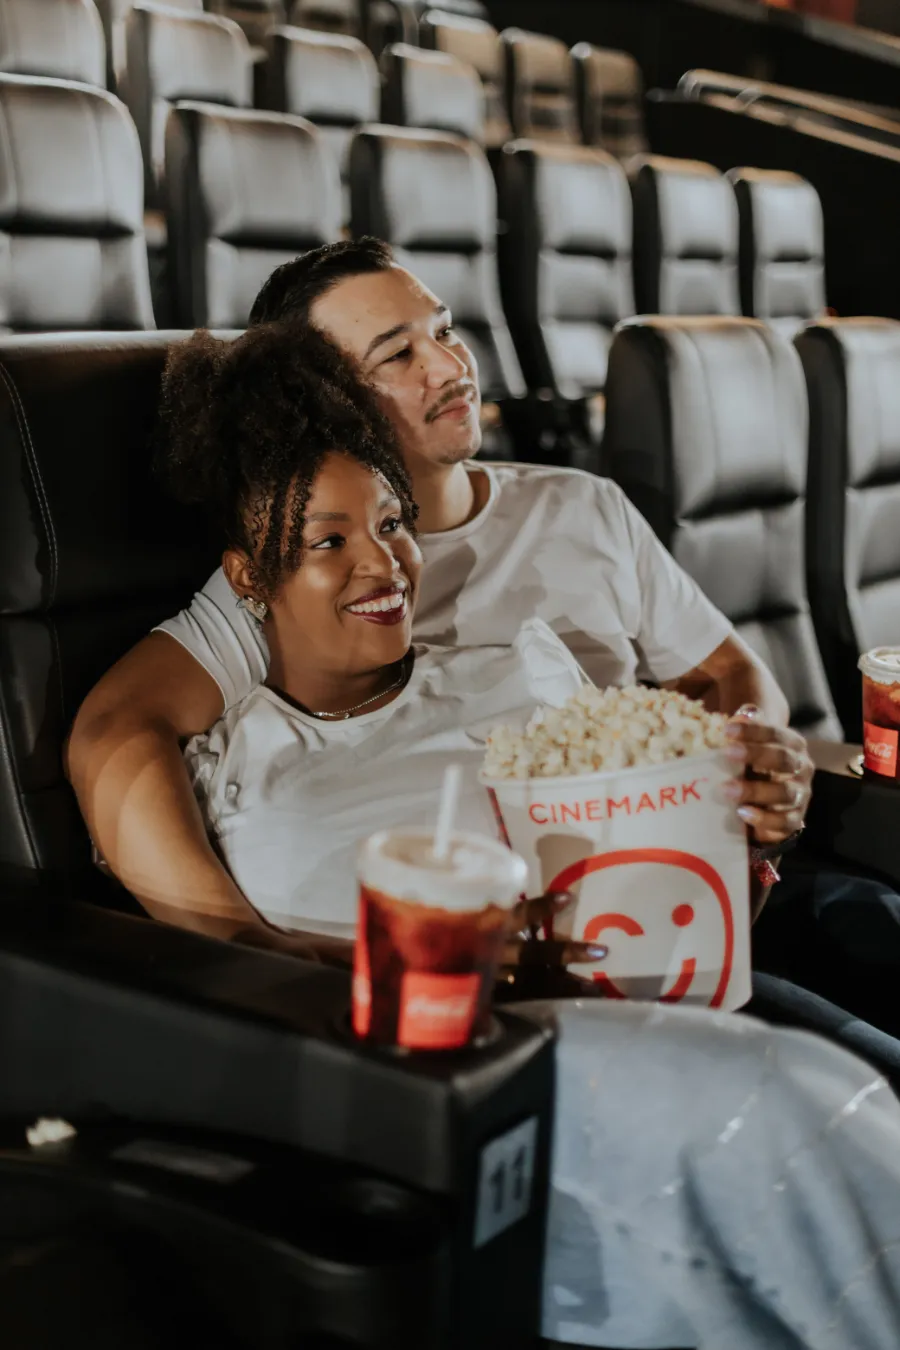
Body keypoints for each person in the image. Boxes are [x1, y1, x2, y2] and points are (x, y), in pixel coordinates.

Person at [129, 320, 900, 1350]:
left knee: (859, 1086)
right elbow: (150, 818)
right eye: (328, 541)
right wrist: (303, 963)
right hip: (451, 1066)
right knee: (794, 1107)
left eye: (390, 524)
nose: (383, 563)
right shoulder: (235, 756)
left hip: (659, 989)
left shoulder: (512, 672)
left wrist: (730, 832)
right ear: (249, 578)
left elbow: (666, 839)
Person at [67, 239, 812, 938]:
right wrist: (241, 948)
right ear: (325, 403)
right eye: (398, 354)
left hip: (679, 888)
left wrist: (747, 767)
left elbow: (724, 670)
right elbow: (116, 732)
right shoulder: (307, 579)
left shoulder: (584, 505)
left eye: (444, 331)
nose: (451, 365)